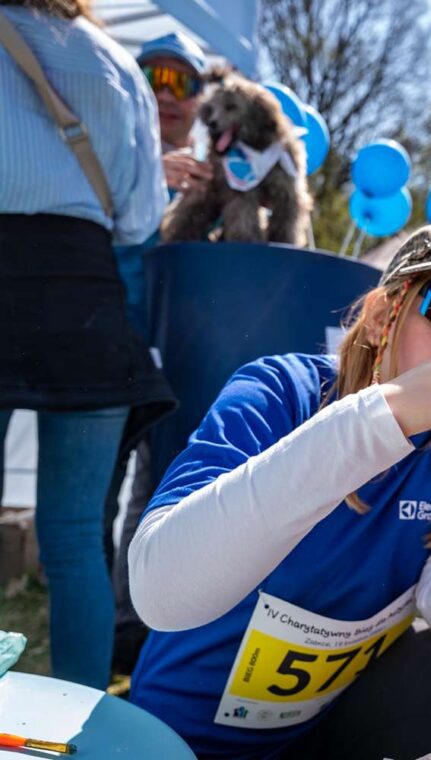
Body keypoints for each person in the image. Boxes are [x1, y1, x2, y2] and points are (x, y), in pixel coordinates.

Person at [127, 226, 431, 758]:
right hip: (174, 739)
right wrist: (386, 415)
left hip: (317, 734)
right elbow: (160, 591)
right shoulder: (280, 393)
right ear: (384, 316)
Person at [0, 0, 173, 688]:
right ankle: (76, 725)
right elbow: (140, 216)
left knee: (73, 540)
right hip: (86, 296)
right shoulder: (114, 61)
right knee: (74, 541)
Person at [105, 29, 215, 677]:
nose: (169, 96)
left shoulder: (223, 177)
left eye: (185, 83)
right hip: (110, 356)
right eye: (156, 79)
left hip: (187, 367)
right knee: (94, 498)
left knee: (163, 494)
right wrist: (150, 174)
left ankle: (150, 629)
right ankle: (106, 633)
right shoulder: (109, 157)